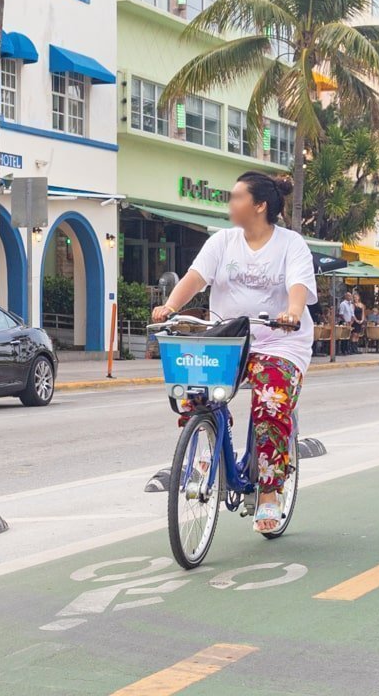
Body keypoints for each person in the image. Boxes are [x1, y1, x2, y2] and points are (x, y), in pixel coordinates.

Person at [151, 171, 317, 532]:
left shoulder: (291, 245)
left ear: (259, 206)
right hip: (228, 338)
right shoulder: (222, 241)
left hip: (280, 341)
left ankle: (270, 493)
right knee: (198, 392)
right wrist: (170, 306)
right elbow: (195, 278)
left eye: (238, 197)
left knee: (270, 403)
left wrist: (291, 312)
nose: (231, 202)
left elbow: (299, 285)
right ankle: (205, 449)